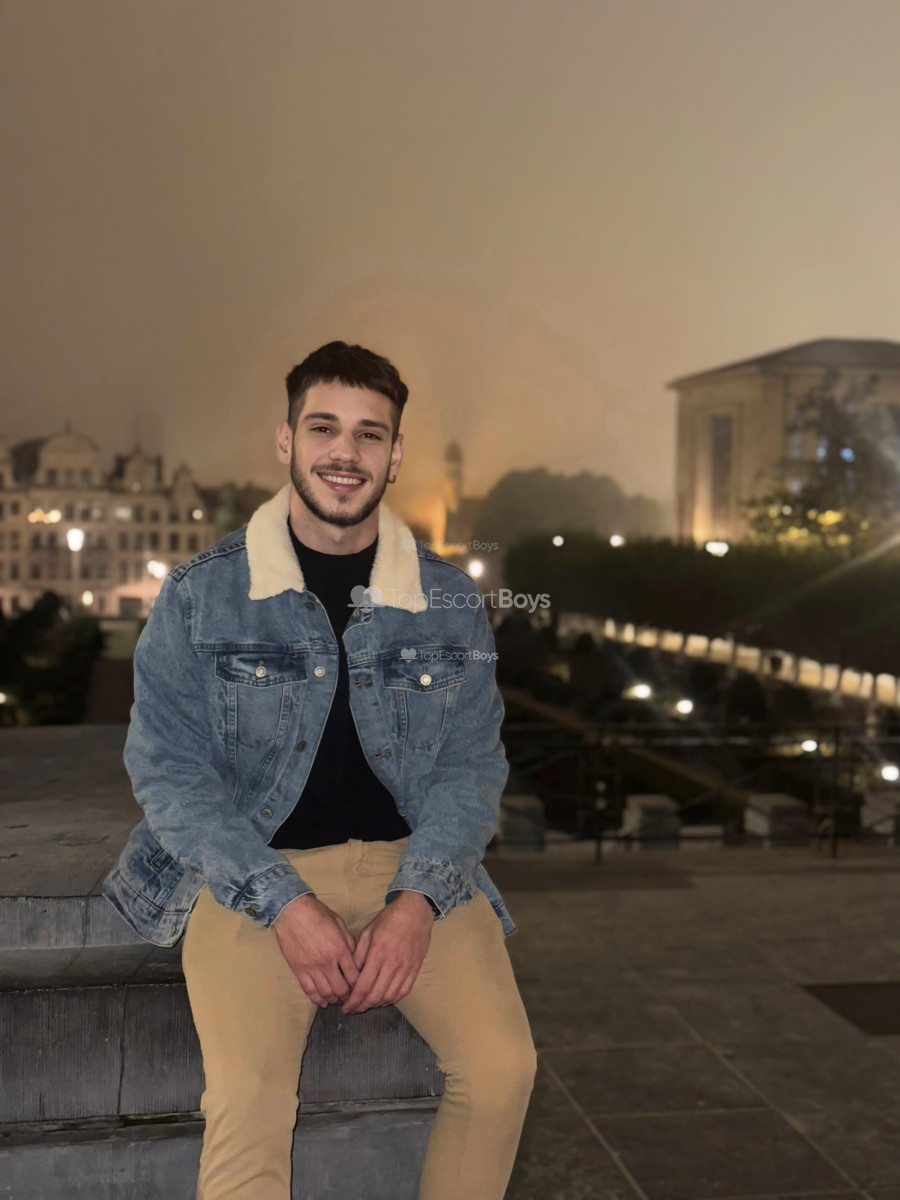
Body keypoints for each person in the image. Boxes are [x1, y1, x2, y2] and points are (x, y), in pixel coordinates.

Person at [102, 340, 537, 1200]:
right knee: (248, 1103)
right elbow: (168, 773)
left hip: (410, 864)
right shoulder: (201, 593)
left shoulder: (449, 600)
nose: (347, 452)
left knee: (503, 1072)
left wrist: (418, 904)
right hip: (252, 868)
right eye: (324, 428)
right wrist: (284, 904)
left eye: (370, 434)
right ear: (287, 441)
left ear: (395, 455)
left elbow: (472, 766)